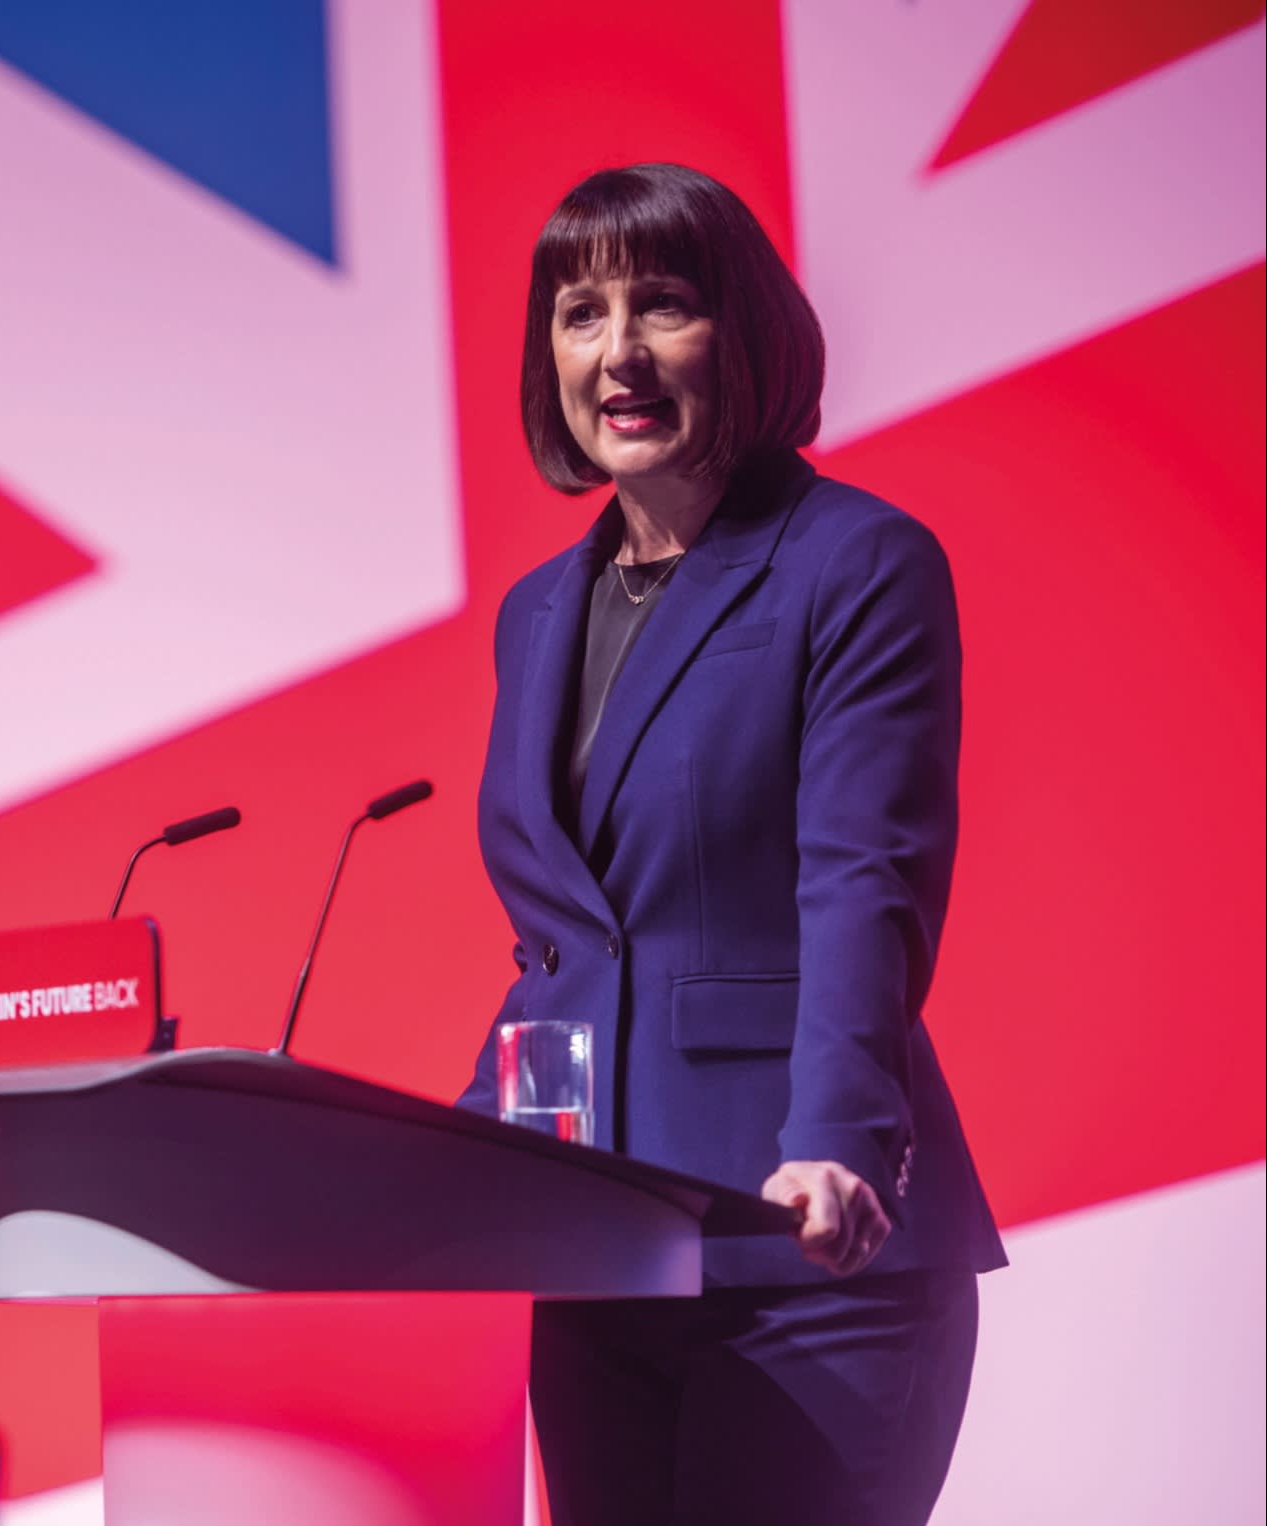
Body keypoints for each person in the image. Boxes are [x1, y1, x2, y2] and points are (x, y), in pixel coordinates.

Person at [457, 163, 1005, 1525]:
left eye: (664, 308)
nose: (618, 354)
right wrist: (450, 1162)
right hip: (597, 1258)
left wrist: (839, 1143)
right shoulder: (536, 612)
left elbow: (862, 882)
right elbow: (570, 942)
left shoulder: (853, 561)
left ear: (744, 332)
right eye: (580, 315)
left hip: (802, 1246)